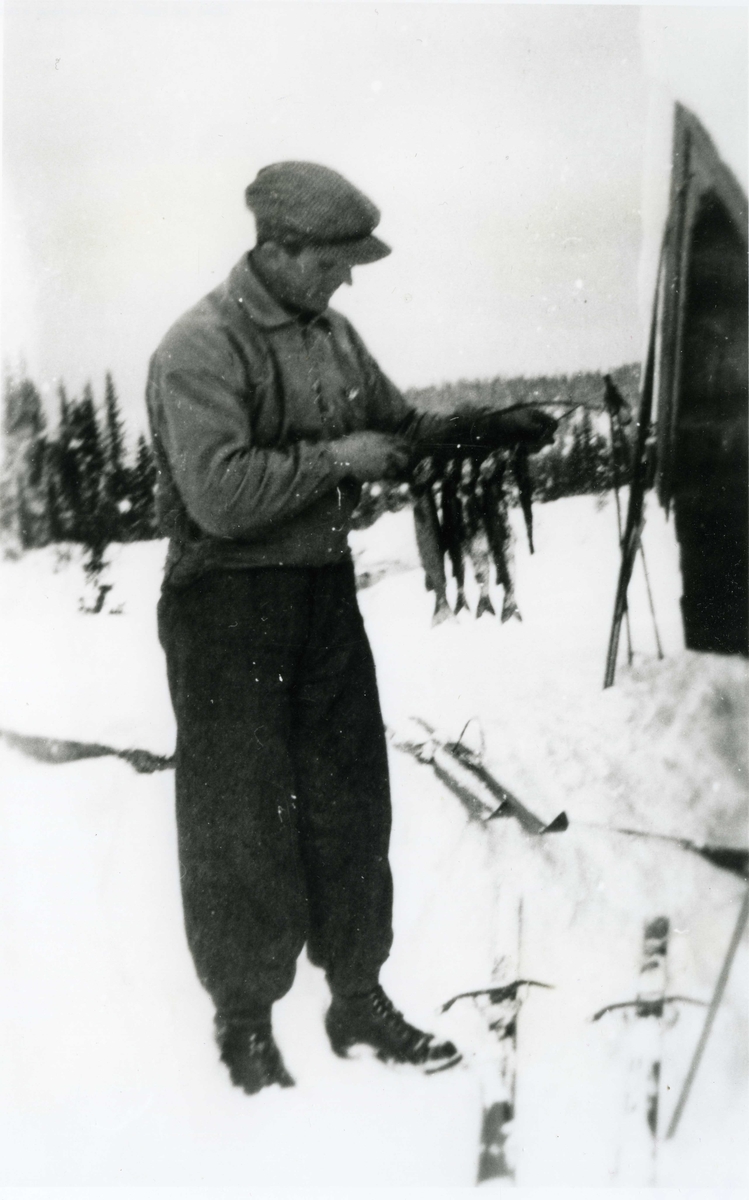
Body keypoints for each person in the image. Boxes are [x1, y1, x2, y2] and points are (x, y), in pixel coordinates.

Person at [147, 161, 556, 1095]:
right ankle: (244, 1020)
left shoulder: (334, 336)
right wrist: (340, 458)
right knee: (240, 818)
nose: (347, 278)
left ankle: (357, 998)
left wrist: (484, 430)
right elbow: (218, 495)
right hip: (225, 607)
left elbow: (396, 429)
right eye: (334, 260)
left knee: (349, 801)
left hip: (322, 598)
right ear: (280, 250)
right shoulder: (199, 346)